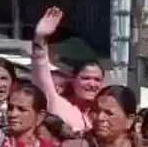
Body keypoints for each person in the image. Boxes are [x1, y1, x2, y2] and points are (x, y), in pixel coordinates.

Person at [31, 7, 105, 135]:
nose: (92, 84)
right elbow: (41, 69)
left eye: (97, 79)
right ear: (73, 80)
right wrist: (40, 39)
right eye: (86, 78)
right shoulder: (59, 105)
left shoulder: (106, 113)